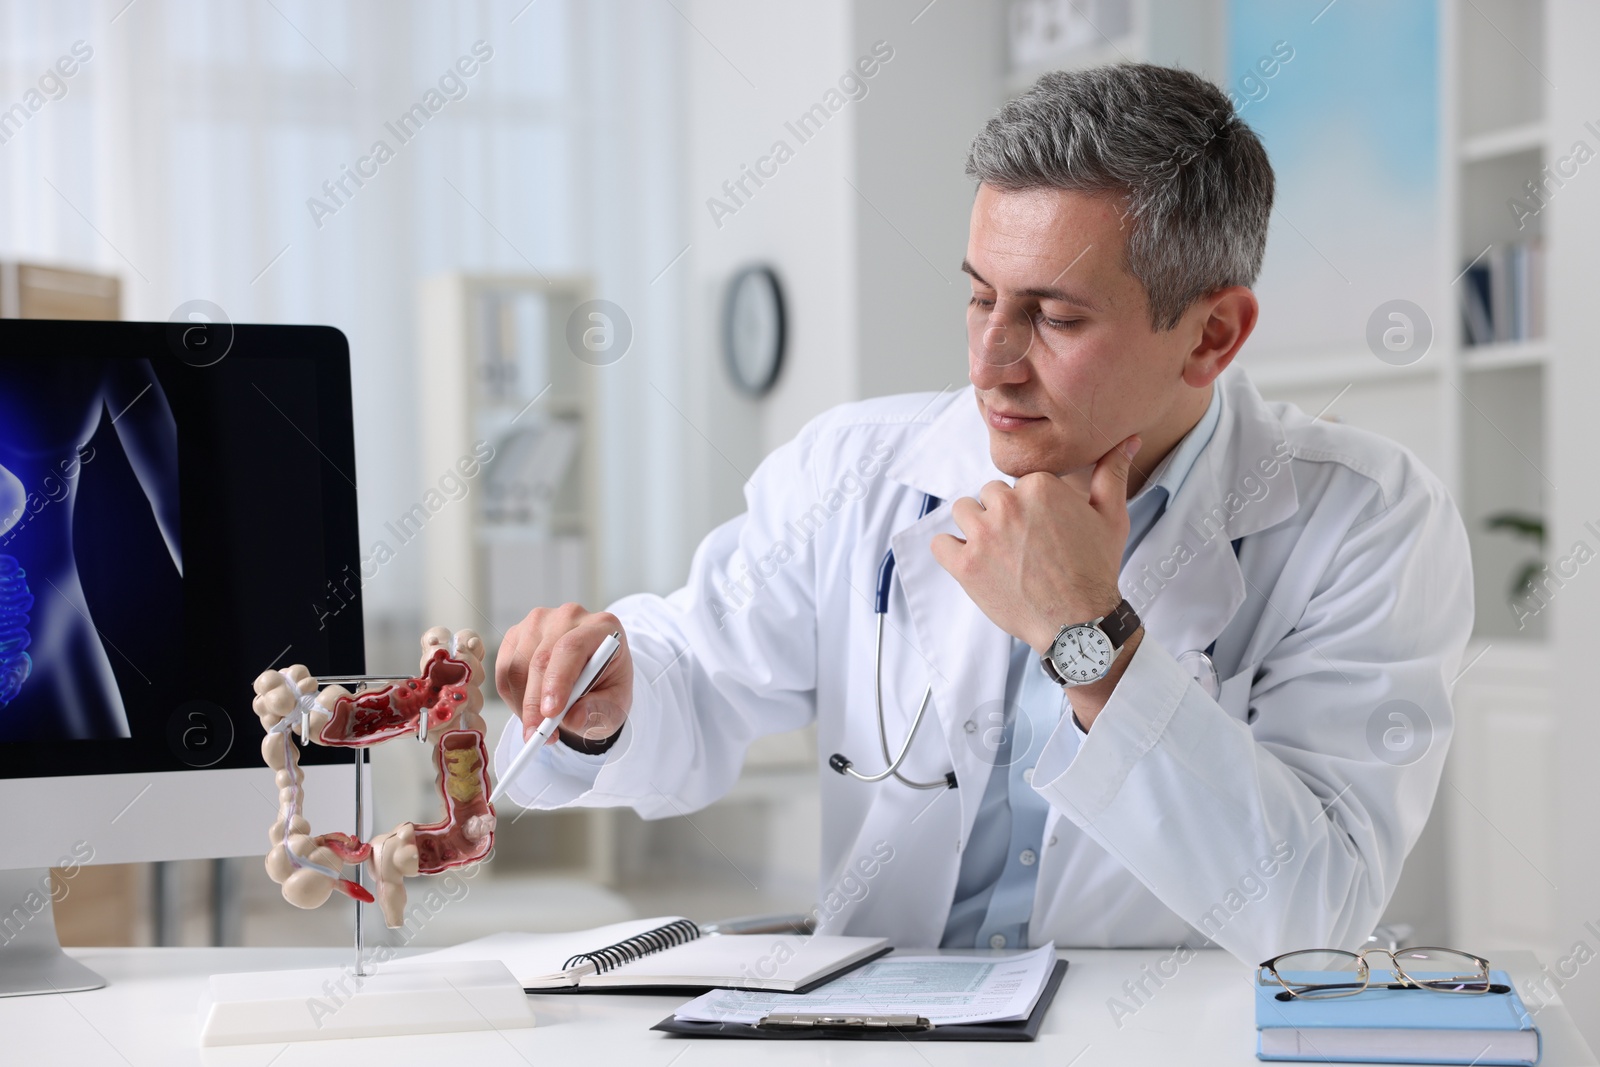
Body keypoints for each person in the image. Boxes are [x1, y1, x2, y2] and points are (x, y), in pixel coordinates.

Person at [491, 63, 1471, 964]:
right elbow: (698, 668)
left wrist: (1088, 635)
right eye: (978, 298)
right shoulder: (857, 468)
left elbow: (1311, 909)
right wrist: (610, 697)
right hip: (879, 1024)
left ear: (1211, 334)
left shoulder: (1367, 522)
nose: (990, 362)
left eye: (1054, 316)